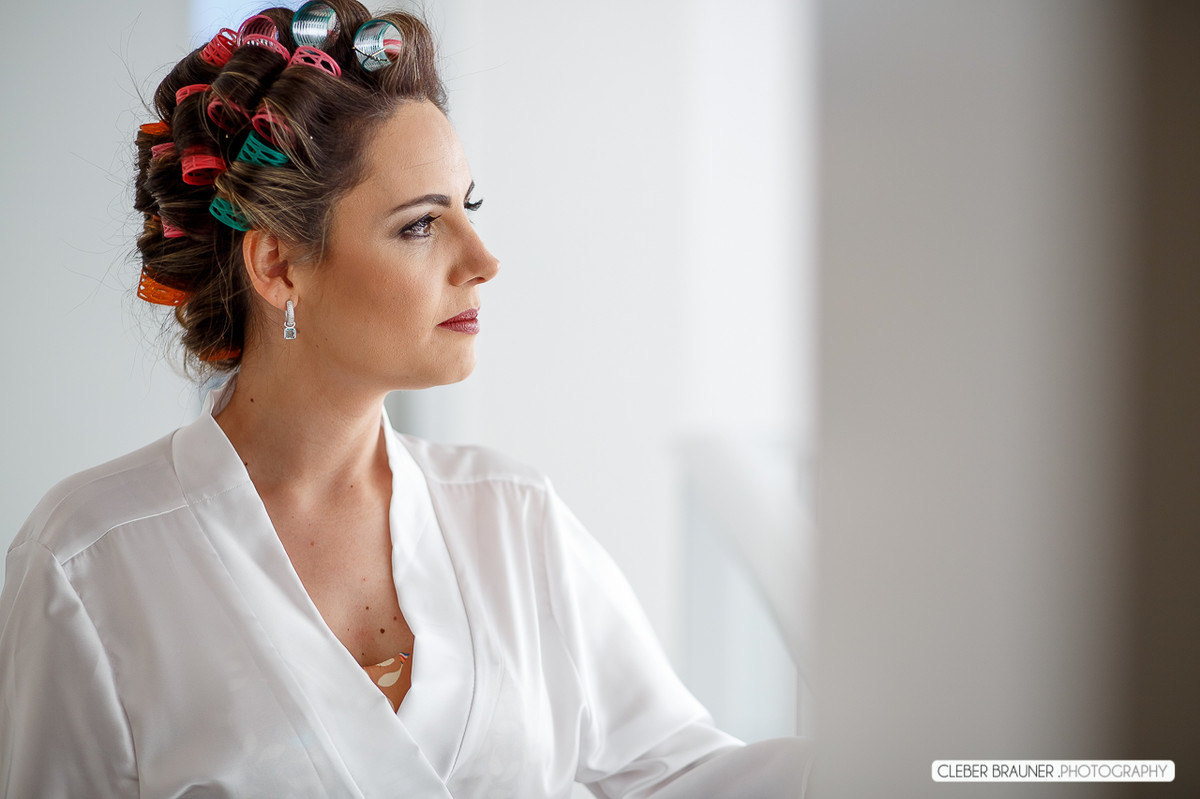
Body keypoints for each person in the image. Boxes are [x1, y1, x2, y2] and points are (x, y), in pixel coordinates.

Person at [0, 2, 812, 796]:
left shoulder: (512, 517)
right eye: (422, 225)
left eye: (471, 206)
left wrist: (922, 755)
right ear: (279, 265)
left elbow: (681, 773)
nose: (484, 259)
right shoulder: (89, 562)